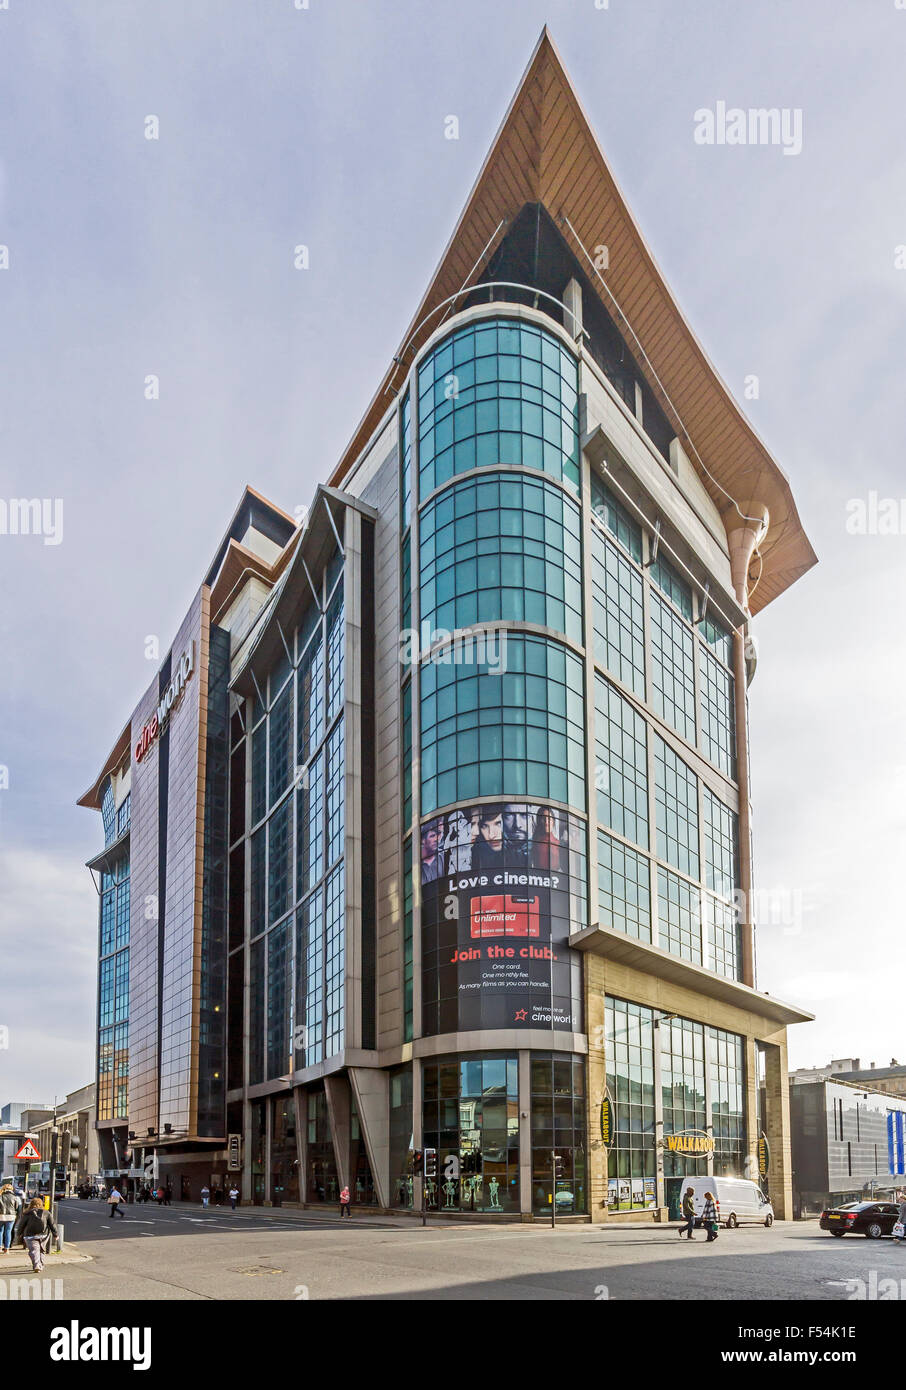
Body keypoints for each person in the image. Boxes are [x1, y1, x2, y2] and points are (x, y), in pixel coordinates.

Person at [15, 1198, 58, 1272]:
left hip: (30, 1236)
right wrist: (55, 1234)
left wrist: (19, 1234)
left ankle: (37, 1265)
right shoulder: (46, 1213)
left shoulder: (27, 1213)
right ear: (41, 1204)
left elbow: (21, 1225)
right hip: (44, 1235)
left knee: (34, 1251)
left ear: (30, 1204)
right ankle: (40, 1264)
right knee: (41, 1250)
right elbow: (52, 1224)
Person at [0, 1183, 20, 1254]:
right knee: (8, 1232)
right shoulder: (15, 1197)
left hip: (1, 1216)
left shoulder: (1, 1196)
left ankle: (0, 1247)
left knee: (0, 1232)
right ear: (11, 1189)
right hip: (11, 1216)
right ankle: (6, 1249)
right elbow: (17, 1207)